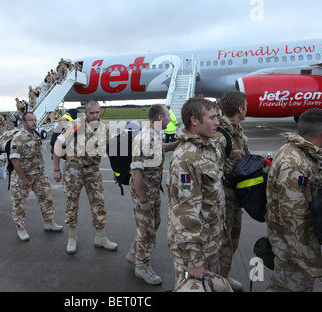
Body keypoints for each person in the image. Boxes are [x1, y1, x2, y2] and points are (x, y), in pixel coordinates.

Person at [166, 96, 232, 292]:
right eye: (212, 117)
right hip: (193, 251)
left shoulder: (208, 147)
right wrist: (195, 261)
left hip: (209, 242)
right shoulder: (186, 158)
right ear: (195, 121)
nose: (217, 122)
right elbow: (186, 212)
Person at [265, 108, 322, 292]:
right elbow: (293, 216)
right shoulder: (294, 163)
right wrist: (308, 258)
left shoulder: (305, 154)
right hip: (293, 247)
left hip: (297, 244)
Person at [53, 100, 117, 254]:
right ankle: (72, 236)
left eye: (97, 112)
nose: (95, 116)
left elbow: (112, 150)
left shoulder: (105, 128)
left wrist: (117, 170)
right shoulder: (75, 125)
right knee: (72, 203)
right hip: (74, 170)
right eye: (91, 113)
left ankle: (100, 237)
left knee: (99, 203)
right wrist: (56, 169)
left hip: (93, 171)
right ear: (85, 113)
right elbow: (57, 144)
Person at [125, 104, 173, 285]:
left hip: (153, 191)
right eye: (167, 116)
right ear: (160, 118)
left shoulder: (155, 135)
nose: (169, 119)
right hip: (144, 193)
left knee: (153, 224)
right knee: (147, 231)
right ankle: (142, 266)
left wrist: (178, 143)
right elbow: (136, 172)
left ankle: (133, 253)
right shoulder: (145, 138)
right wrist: (143, 200)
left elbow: (161, 148)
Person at [214, 91, 250, 291]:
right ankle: (218, 280)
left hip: (237, 199)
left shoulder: (239, 133)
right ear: (240, 108)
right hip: (223, 201)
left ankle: (223, 275)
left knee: (232, 242)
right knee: (223, 244)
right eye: (246, 105)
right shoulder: (221, 134)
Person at [10, 112, 63, 241]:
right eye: (30, 120)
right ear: (24, 123)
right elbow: (15, 160)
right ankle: (21, 228)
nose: (34, 122)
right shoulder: (18, 138)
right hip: (24, 176)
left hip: (39, 175)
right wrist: (23, 179)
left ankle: (49, 222)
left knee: (46, 198)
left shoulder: (35, 135)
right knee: (19, 204)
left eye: (35, 120)